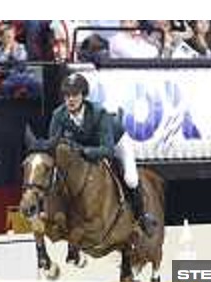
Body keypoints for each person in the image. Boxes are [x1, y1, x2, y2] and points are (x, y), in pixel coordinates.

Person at [48, 72, 157, 238]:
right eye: (67, 95)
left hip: (117, 142)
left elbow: (107, 149)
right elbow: (53, 145)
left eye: (75, 95)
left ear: (83, 96)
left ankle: (142, 216)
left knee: (130, 179)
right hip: (86, 147)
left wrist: (84, 151)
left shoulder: (99, 113)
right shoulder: (58, 115)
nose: (70, 99)